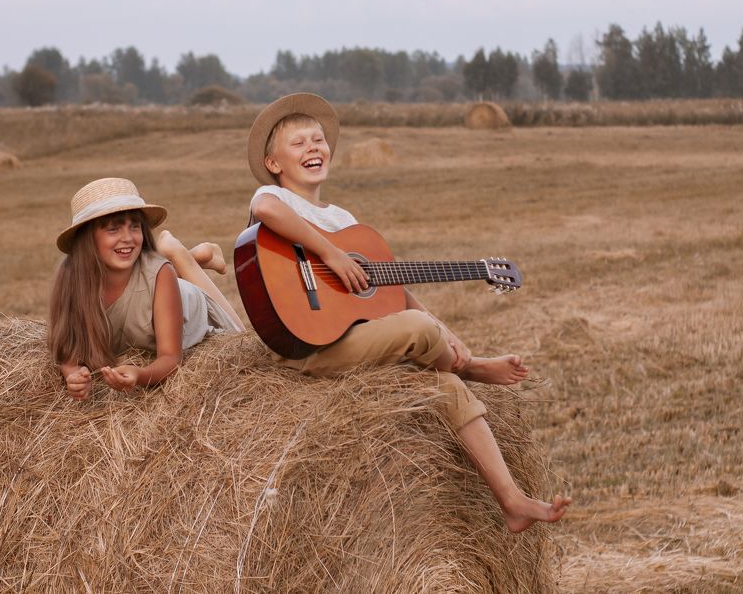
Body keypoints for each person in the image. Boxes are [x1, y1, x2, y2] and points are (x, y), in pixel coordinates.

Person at [245, 93, 570, 532]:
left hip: (349, 339)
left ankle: (512, 501)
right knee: (419, 330)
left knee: (445, 384)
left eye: (318, 140)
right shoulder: (272, 197)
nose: (313, 148)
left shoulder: (342, 218)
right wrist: (333, 255)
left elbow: (389, 292)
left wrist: (446, 331)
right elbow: (266, 212)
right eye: (299, 143)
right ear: (273, 163)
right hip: (307, 345)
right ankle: (474, 368)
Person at [49, 177, 243, 402]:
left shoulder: (160, 274)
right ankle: (197, 255)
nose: (128, 237)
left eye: (135, 226)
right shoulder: (70, 280)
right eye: (113, 229)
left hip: (187, 304)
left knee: (240, 335)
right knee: (149, 283)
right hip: (153, 291)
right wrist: (73, 375)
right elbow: (66, 348)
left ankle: (184, 256)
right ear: (87, 239)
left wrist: (140, 375)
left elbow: (170, 358)